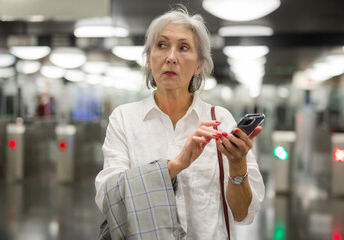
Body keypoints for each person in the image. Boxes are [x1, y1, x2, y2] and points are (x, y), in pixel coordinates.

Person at [95, 6, 265, 240]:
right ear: (148, 59)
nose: (171, 57)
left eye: (183, 47)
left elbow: (242, 213)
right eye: (162, 46)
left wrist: (237, 165)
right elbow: (108, 198)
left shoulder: (220, 120)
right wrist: (175, 165)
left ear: (198, 66)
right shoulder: (124, 119)